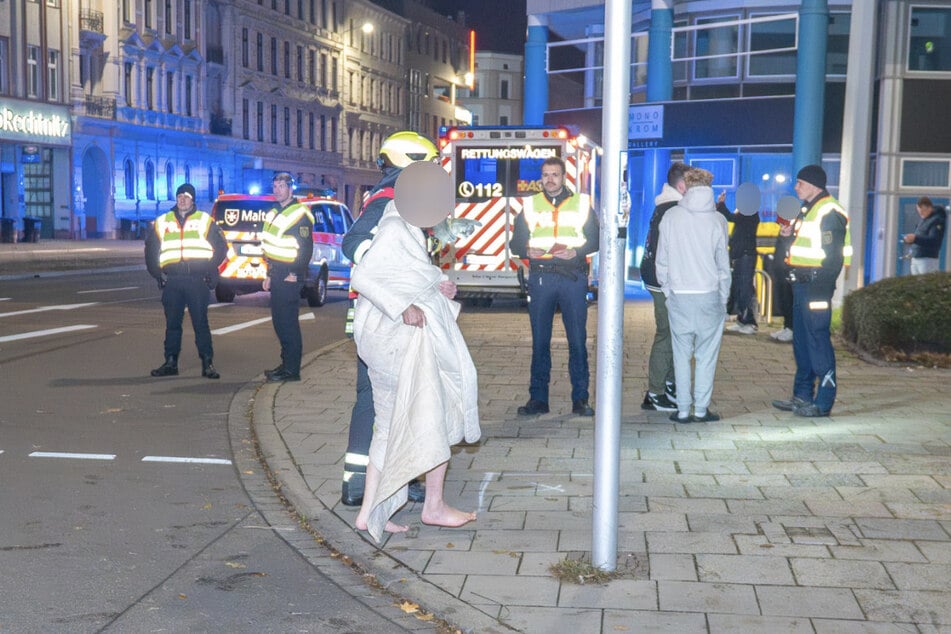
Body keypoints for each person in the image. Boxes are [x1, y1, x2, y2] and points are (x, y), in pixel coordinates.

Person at [349, 183, 480, 543]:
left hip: (390, 342)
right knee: (435, 414)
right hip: (397, 341)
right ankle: (434, 506)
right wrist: (401, 306)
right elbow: (363, 277)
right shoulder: (395, 228)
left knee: (390, 426)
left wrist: (439, 285)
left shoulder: (403, 225)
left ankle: (368, 514)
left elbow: (406, 275)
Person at [339, 131, 438, 507]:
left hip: (381, 311)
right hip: (382, 315)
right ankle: (366, 483)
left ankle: (364, 480)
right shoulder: (389, 199)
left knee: (383, 397)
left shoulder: (399, 198)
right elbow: (354, 243)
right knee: (384, 397)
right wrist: (391, 272)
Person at [512, 156, 599, 417]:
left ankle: (580, 399)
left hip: (572, 276)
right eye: (546, 175)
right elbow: (515, 244)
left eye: (555, 175)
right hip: (542, 277)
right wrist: (527, 249)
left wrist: (577, 252)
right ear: (541, 178)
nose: (550, 179)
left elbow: (595, 240)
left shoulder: (582, 204)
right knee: (540, 342)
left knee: (577, 341)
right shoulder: (529, 205)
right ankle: (538, 399)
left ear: (564, 177)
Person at [772, 164, 852, 418]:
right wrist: (786, 235)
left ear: (814, 185)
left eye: (800, 183)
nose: (796, 187)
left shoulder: (829, 211)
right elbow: (799, 248)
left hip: (816, 285)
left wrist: (821, 288)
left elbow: (833, 258)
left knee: (817, 340)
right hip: (802, 284)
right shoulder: (808, 210)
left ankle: (823, 403)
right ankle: (802, 396)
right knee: (802, 341)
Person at [656, 168, 730, 423]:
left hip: (680, 295)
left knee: (680, 354)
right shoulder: (718, 220)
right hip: (709, 294)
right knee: (707, 356)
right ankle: (701, 409)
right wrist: (723, 298)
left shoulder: (671, 216)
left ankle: (683, 409)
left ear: (685, 187)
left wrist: (668, 291)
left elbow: (662, 261)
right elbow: (723, 266)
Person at [145, 183, 228, 379]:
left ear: (192, 200)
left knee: (201, 323)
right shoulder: (162, 221)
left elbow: (221, 248)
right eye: (180, 196)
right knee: (172, 324)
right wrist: (157, 274)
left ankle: (207, 363)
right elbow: (151, 251)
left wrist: (209, 268)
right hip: (173, 280)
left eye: (187, 196)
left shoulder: (204, 221)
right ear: (176, 199)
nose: (182, 199)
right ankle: (170, 362)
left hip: (196, 280)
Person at [638, 162, 688, 412]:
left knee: (673, 332)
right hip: (663, 280)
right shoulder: (675, 209)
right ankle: (655, 392)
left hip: (657, 277)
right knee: (667, 333)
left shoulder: (665, 205)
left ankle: (667, 385)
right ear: (682, 185)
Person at [261, 172, 314, 382]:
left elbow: (305, 249)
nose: (277, 189)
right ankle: (285, 364)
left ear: (291, 189)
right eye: (275, 186)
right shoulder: (274, 211)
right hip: (277, 272)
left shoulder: (300, 213)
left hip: (290, 274)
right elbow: (269, 245)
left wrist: (294, 273)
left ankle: (292, 370)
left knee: (288, 323)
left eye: (281, 186)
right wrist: (268, 274)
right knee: (279, 322)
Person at [717, 191, 760, 335]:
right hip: (740, 255)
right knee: (738, 288)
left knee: (745, 288)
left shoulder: (749, 212)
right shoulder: (744, 212)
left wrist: (721, 204)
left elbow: (731, 218)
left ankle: (749, 322)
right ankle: (742, 320)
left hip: (746, 256)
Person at [767, 217, 795, 343]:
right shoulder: (786, 226)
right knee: (783, 298)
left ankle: (791, 328)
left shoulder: (796, 224)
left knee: (789, 299)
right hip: (781, 267)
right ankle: (786, 326)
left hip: (789, 267)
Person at [903, 196, 946, 275]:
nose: (921, 214)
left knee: (926, 284)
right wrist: (910, 241)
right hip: (916, 257)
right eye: (919, 212)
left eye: (923, 211)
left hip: (927, 259)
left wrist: (915, 238)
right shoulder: (924, 219)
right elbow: (920, 235)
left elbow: (934, 241)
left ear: (929, 208)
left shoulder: (937, 220)